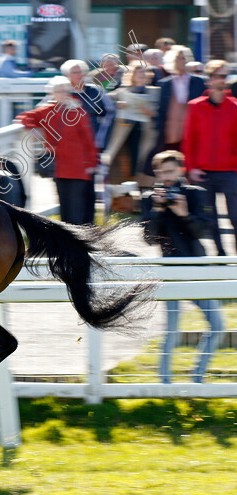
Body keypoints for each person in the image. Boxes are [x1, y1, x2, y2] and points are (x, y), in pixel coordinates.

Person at [141, 151, 221, 383]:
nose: (166, 177)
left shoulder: (195, 195)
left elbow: (204, 232)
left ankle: (197, 379)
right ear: (156, 173)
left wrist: (184, 214)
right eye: (161, 172)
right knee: (172, 330)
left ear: (181, 170)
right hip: (170, 271)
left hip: (197, 270)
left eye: (170, 171)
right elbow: (148, 239)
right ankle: (165, 385)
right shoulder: (150, 198)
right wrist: (157, 210)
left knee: (217, 325)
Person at [16, 76, 97, 225]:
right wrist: (34, 130)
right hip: (59, 166)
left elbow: (88, 139)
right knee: (65, 208)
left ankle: (78, 243)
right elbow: (23, 118)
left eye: (65, 90)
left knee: (77, 209)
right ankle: (68, 242)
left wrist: (92, 162)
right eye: (59, 91)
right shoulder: (48, 110)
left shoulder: (77, 110)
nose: (63, 94)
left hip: (78, 167)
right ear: (52, 93)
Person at [182, 59, 237, 257]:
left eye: (225, 76)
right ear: (210, 79)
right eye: (218, 76)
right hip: (203, 173)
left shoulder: (234, 107)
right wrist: (191, 168)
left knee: (235, 216)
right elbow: (189, 139)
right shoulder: (195, 106)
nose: (222, 80)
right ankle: (221, 255)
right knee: (210, 218)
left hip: (230, 171)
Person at [102, 63, 160, 183]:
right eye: (138, 73)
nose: (141, 76)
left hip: (144, 130)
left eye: (143, 73)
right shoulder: (122, 91)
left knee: (140, 159)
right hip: (124, 128)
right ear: (131, 76)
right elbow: (105, 101)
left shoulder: (154, 92)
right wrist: (117, 105)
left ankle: (139, 182)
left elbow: (160, 112)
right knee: (122, 157)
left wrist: (151, 112)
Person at [61, 59, 114, 152]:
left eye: (81, 72)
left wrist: (101, 136)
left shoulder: (96, 90)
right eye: (74, 72)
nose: (79, 75)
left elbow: (110, 112)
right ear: (67, 75)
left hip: (94, 137)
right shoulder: (62, 92)